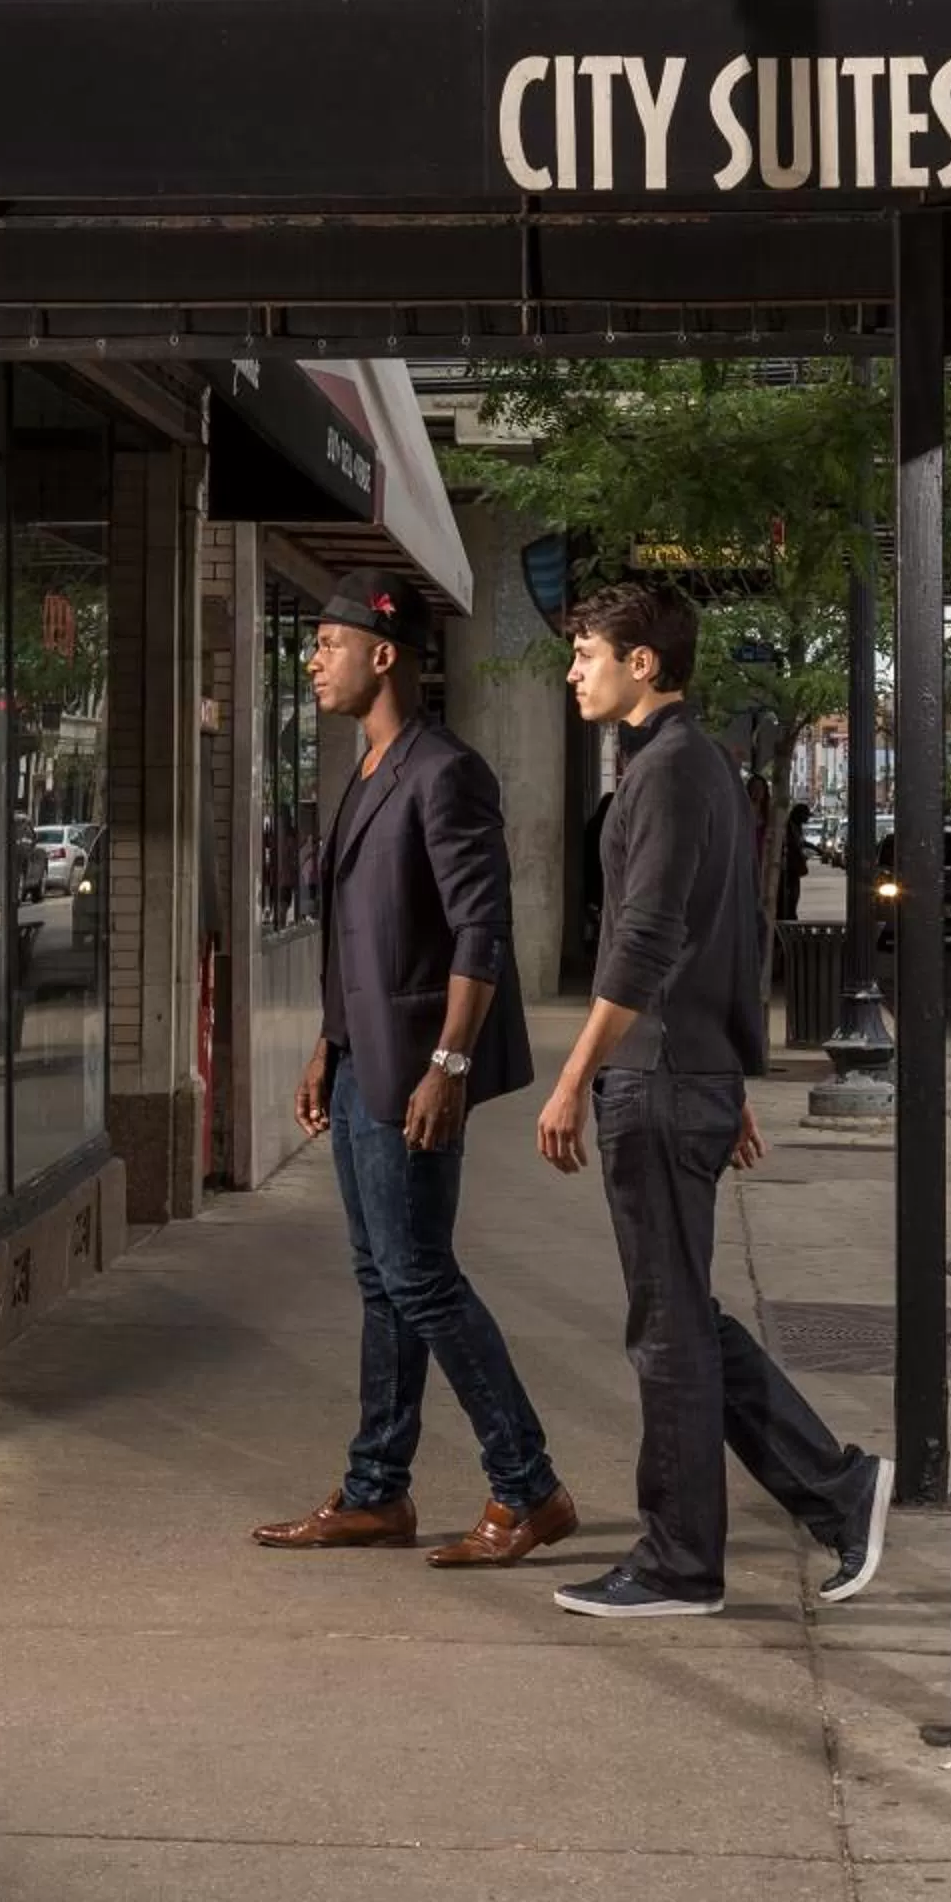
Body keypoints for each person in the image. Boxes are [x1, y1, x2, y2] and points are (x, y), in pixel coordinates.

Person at [537, 582, 892, 1620]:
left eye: (588, 654)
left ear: (642, 665)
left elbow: (646, 947)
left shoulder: (670, 774)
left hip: (653, 1080)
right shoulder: (695, 769)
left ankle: (680, 1564)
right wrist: (726, 1073)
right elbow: (729, 942)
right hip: (678, 1074)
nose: (573, 671)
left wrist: (572, 1077)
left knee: (668, 1331)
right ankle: (833, 1486)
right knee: (680, 1318)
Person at [254, 567, 576, 1572]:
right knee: (381, 1282)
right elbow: (359, 936)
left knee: (421, 1279)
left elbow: (482, 930)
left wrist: (447, 1063)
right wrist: (324, 1044)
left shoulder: (444, 771)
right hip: (360, 1061)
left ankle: (527, 1487)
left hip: (413, 1070)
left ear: (381, 654)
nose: (312, 659)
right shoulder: (364, 766)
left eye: (328, 643)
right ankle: (374, 1492)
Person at [777, 802, 811, 925]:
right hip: (787, 869)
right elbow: (793, 846)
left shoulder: (796, 827)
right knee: (788, 900)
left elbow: (803, 843)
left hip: (793, 871)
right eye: (806, 815)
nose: (808, 818)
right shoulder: (788, 828)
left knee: (793, 899)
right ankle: (788, 924)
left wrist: (819, 850)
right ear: (799, 815)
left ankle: (791, 920)